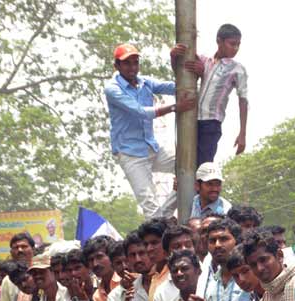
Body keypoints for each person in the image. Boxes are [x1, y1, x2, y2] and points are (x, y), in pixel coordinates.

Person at [105, 43, 194, 219]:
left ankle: (166, 213)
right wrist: (176, 107)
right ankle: (161, 225)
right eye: (127, 63)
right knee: (151, 208)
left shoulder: (144, 82)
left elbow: (174, 86)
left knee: (191, 168)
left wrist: (178, 64)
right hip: (131, 154)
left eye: (135, 62)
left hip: (151, 148)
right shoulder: (112, 89)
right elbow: (140, 112)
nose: (132, 67)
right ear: (117, 66)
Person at [174, 23, 248, 164]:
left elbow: (243, 100)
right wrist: (174, 54)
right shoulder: (204, 61)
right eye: (232, 44)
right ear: (219, 41)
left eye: (238, 45)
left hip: (211, 123)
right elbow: (180, 68)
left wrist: (242, 133)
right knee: (184, 162)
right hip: (191, 118)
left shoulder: (237, 69)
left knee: (203, 167)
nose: (236, 48)